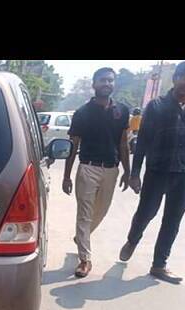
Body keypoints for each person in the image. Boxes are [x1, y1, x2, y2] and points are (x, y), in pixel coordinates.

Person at [119, 61, 185, 284]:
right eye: (184, 77)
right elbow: (143, 142)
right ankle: (133, 239)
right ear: (175, 78)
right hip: (157, 171)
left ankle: (159, 264)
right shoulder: (156, 105)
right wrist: (135, 173)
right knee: (146, 213)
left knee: (173, 220)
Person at [63, 68, 130, 278]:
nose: (107, 84)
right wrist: (66, 176)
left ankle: (81, 237)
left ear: (114, 84)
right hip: (88, 168)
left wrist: (128, 172)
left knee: (101, 211)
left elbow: (123, 144)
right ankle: (85, 258)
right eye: (102, 80)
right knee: (84, 214)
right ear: (94, 84)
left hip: (111, 170)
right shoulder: (83, 113)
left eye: (110, 80)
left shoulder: (122, 110)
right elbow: (73, 145)